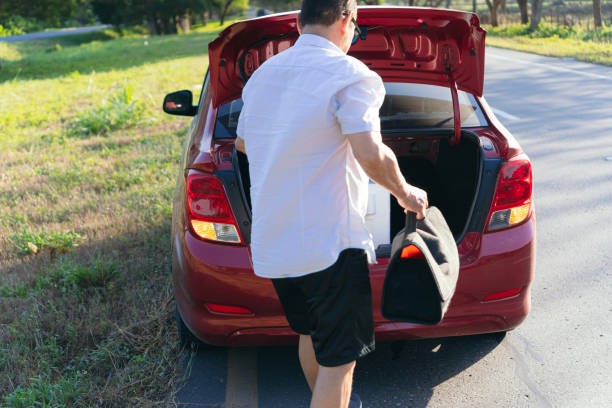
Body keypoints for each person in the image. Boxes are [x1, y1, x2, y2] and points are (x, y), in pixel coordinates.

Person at [235, 0, 428, 406]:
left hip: (275, 243)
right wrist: (406, 193)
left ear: (300, 21)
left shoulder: (262, 76)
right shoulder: (350, 75)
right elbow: (370, 153)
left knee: (311, 334)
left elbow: (243, 144)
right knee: (341, 361)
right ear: (346, 19)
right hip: (329, 244)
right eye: (355, 28)